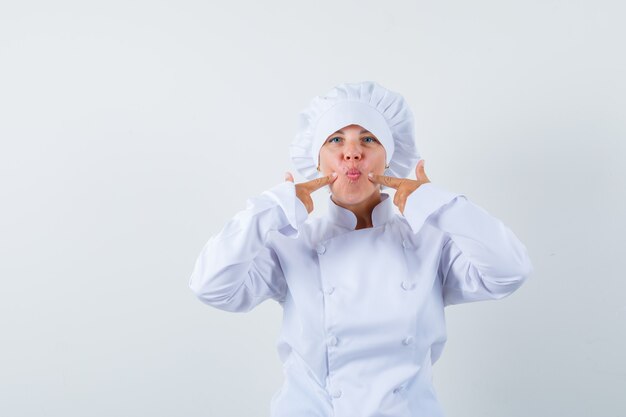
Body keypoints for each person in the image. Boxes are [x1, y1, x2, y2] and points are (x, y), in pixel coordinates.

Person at [188, 81, 533, 417]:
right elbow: (211, 287)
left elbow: (509, 270)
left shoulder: (430, 241)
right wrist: (271, 209)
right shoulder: (290, 243)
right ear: (317, 160)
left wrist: (440, 206)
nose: (351, 152)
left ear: (389, 158)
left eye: (368, 139)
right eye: (335, 139)